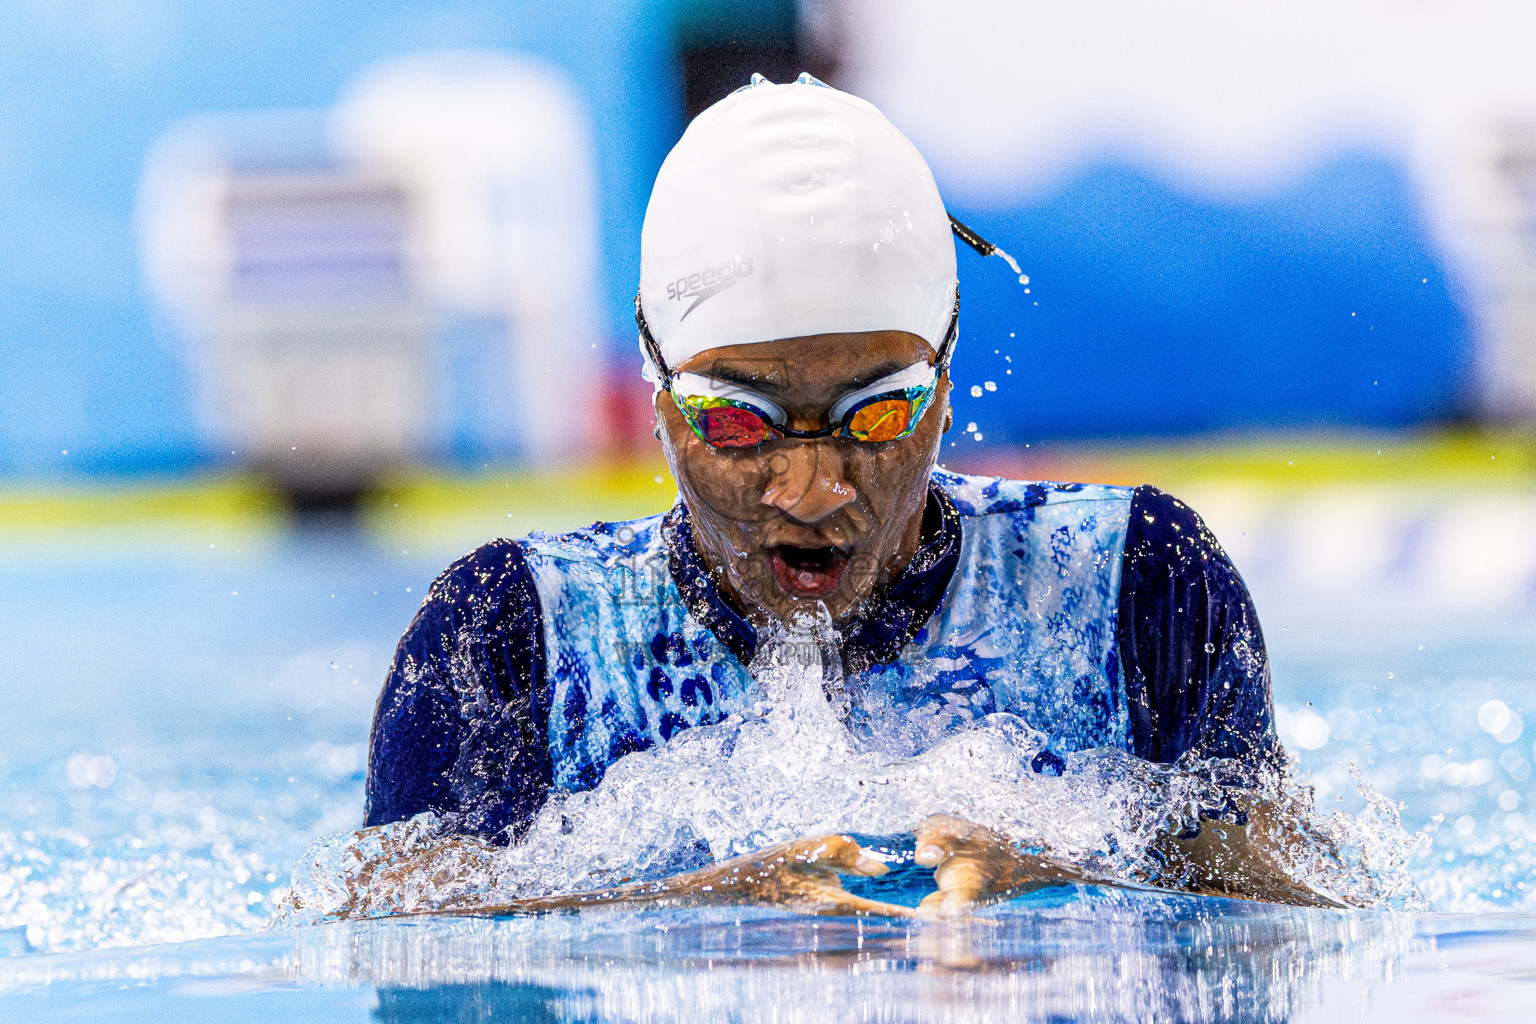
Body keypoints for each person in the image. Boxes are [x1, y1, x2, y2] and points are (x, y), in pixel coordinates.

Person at [362, 74, 1331, 918]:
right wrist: (695, 909)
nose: (813, 489)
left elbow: (1304, 913)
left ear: (943, 388)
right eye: (739, 421)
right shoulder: (517, 633)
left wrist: (1065, 889)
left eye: (876, 413)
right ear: (660, 402)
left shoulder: (1130, 587)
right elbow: (388, 930)